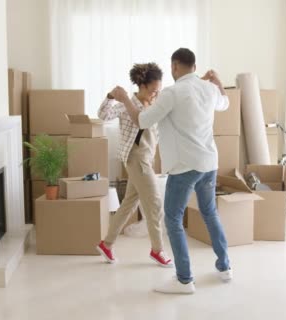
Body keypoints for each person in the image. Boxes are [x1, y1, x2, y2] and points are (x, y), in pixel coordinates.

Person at [109, 48, 231, 294]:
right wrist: (217, 81)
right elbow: (225, 103)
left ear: (175, 67)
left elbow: (142, 121)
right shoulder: (209, 89)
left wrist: (123, 99)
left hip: (185, 166)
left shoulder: (172, 93)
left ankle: (184, 280)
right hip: (210, 163)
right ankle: (225, 266)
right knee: (209, 212)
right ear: (194, 67)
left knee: (172, 218)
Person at [96, 63, 174, 268]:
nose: (155, 94)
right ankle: (157, 250)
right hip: (136, 159)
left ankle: (106, 244)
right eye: (152, 90)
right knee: (155, 204)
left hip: (146, 159)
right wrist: (111, 96)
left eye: (158, 90)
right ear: (141, 85)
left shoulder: (155, 105)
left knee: (128, 205)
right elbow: (103, 116)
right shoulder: (126, 104)